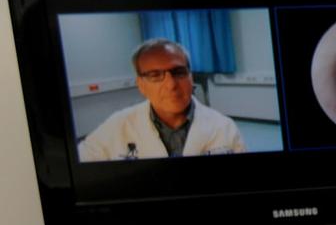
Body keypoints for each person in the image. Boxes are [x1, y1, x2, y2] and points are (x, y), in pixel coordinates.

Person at [77, 38, 249, 161]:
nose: (171, 85)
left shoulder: (224, 127)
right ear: (141, 85)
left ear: (190, 78)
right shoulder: (117, 125)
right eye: (155, 75)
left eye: (179, 72)